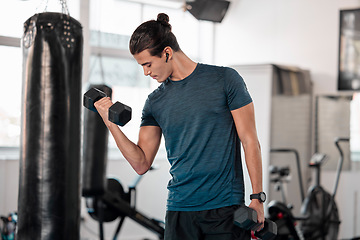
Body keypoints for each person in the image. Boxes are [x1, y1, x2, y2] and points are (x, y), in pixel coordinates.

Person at [94, 13, 265, 240]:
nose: (146, 72)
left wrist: (257, 197)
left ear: (166, 53)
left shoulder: (225, 79)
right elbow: (141, 163)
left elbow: (249, 140)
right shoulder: (154, 102)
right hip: (179, 209)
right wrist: (110, 123)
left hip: (224, 209)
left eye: (147, 64)